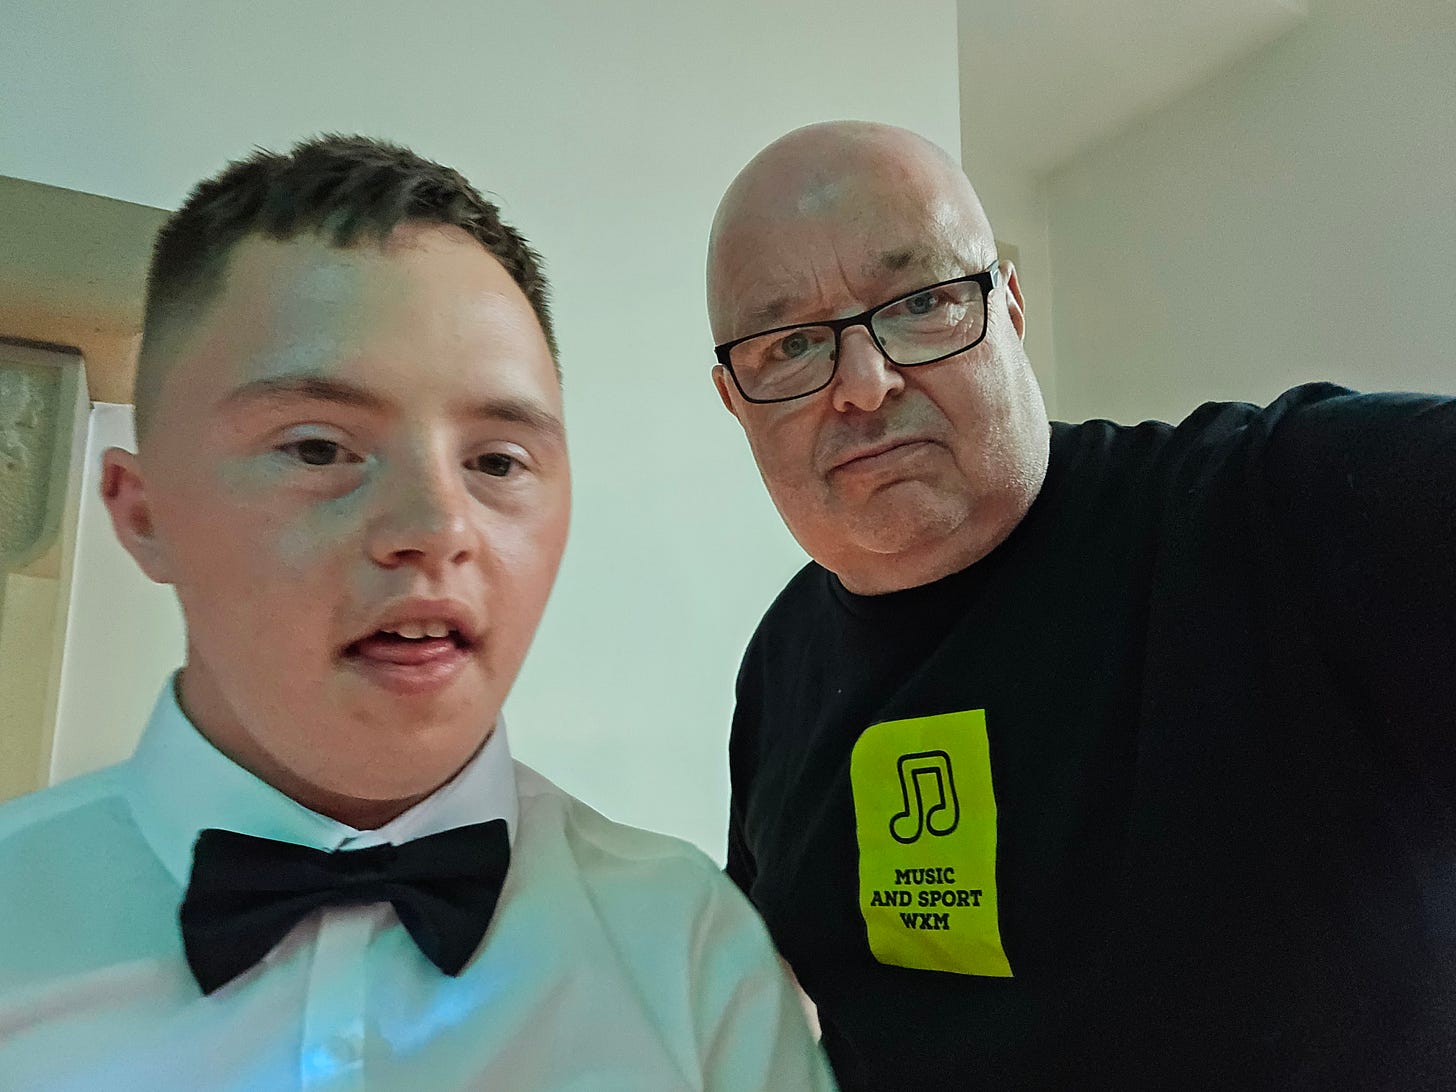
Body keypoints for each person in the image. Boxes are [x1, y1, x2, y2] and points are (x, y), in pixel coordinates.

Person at [0, 134, 834, 1091]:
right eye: (318, 449)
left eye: (496, 461)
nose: (437, 529)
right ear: (144, 513)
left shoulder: (693, 954)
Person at [706, 120, 1456, 1090]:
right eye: (791, 344)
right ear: (735, 400)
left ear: (1008, 309)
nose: (863, 382)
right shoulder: (778, 667)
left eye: (922, 301)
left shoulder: (1279, 513)